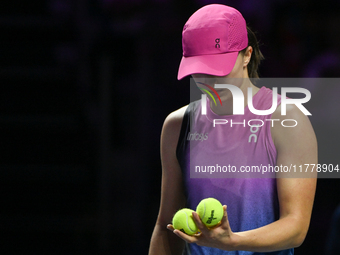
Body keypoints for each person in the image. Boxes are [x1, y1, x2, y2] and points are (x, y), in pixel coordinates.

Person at [149, 4, 317, 255]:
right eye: (200, 69)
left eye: (218, 67)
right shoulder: (177, 125)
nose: (208, 80)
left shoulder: (288, 120)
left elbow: (296, 227)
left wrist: (232, 241)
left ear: (247, 54)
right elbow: (166, 227)